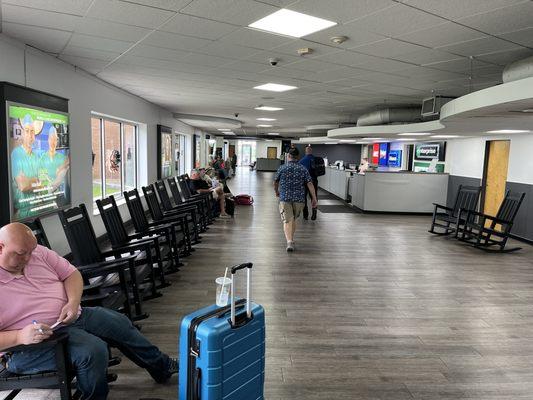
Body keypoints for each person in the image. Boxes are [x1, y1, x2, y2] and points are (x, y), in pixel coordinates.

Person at [0, 223, 178, 400]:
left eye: (32, 251)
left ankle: (162, 367)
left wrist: (72, 302)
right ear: (1, 248)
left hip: (70, 318)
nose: (29, 258)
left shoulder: (38, 252)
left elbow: (71, 274)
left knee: (118, 323)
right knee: (92, 351)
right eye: (22, 253)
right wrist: (19, 336)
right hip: (28, 347)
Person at [274, 147, 317, 252]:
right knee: (292, 219)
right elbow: (310, 183)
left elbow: (276, 181)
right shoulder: (303, 169)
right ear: (298, 157)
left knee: (287, 220)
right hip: (299, 199)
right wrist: (314, 198)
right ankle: (290, 240)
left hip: (285, 198)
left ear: (288, 156)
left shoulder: (282, 168)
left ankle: (289, 242)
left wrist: (276, 191)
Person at [11, 114, 41, 218]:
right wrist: (36, 181)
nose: (30, 135)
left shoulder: (36, 156)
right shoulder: (16, 154)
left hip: (37, 209)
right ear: (23, 134)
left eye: (32, 131)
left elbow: (44, 182)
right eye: (27, 131)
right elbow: (23, 186)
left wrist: (31, 181)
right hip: (23, 213)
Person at [40, 125, 70, 193]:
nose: (53, 142)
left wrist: (60, 169)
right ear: (48, 140)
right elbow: (43, 180)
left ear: (57, 141)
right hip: (48, 195)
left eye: (55, 139)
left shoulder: (62, 158)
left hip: (61, 194)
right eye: (51, 139)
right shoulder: (42, 159)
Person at [299, 145, 319, 221]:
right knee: (314, 197)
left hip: (304, 182)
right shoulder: (316, 160)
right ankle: (314, 214)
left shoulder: (302, 161)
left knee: (304, 198)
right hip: (314, 181)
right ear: (311, 151)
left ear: (306, 152)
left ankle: (305, 215)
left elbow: (300, 173)